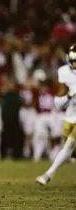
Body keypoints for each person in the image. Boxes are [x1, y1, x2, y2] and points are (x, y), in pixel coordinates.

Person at [36, 45, 76, 185]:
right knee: (69, 150)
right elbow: (59, 102)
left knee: (69, 146)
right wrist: (69, 97)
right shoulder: (65, 72)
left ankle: (47, 175)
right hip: (70, 116)